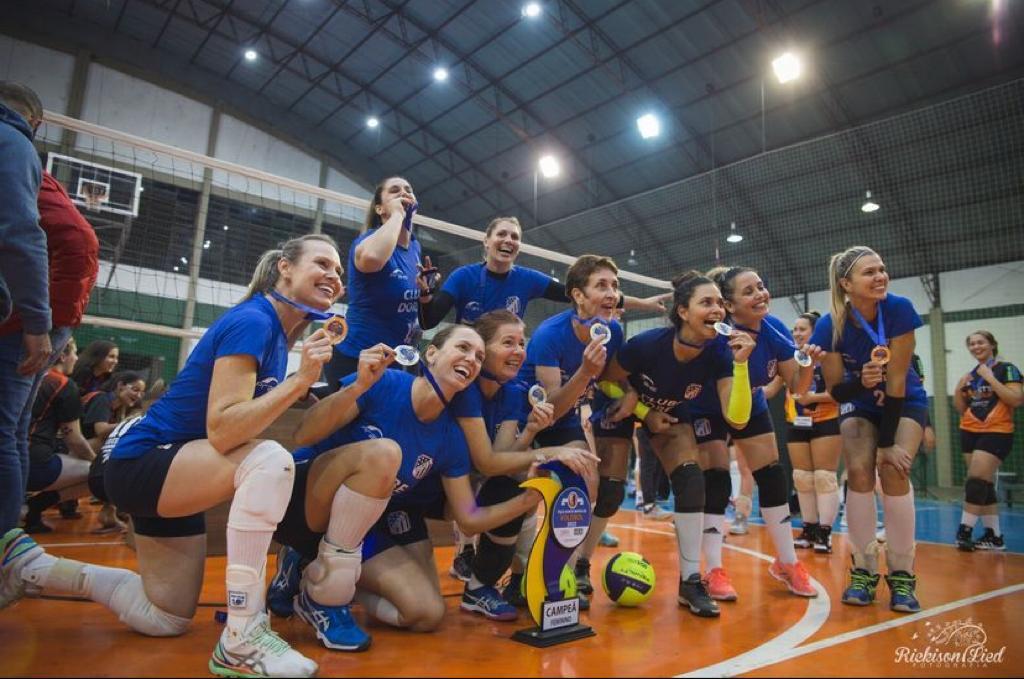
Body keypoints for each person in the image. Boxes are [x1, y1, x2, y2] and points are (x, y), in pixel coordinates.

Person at [1, 234, 345, 677]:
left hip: (174, 466)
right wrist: (299, 383)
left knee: (164, 617)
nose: (334, 276)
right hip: (143, 459)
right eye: (323, 263)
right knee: (269, 459)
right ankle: (242, 634)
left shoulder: (278, 332)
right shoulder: (255, 320)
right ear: (284, 267)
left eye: (338, 271)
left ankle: (32, 567)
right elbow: (223, 430)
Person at [273, 325, 544, 645]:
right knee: (385, 453)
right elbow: (303, 434)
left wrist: (530, 499)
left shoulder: (451, 439)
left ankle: (310, 581)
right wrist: (358, 385)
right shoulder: (386, 383)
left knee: (427, 612)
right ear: (431, 354)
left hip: (356, 530)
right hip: (298, 503)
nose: (472, 359)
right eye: (463, 348)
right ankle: (312, 573)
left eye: (479, 356)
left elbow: (468, 519)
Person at [589, 270, 755, 617]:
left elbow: (737, 418)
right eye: (706, 303)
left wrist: (741, 367)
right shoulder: (647, 345)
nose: (718, 310)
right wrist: (643, 409)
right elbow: (605, 381)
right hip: (624, 405)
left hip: (671, 415)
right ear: (683, 311)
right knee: (610, 492)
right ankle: (578, 565)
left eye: (720, 304)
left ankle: (691, 581)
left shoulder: (721, 354)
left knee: (692, 481)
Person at [450, 310, 596, 619]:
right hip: (432, 495)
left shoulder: (513, 393)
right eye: (508, 343)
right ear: (482, 349)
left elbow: (502, 460)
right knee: (422, 611)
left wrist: (531, 431)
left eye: (521, 342)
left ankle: (481, 586)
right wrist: (550, 451)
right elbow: (487, 463)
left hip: (464, 489)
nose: (519, 351)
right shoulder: (466, 391)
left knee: (515, 481)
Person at [688, 265, 819, 602]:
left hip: (754, 402)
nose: (761, 294)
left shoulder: (773, 328)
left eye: (761, 286)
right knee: (717, 479)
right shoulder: (719, 338)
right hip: (710, 407)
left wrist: (810, 364)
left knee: (773, 477)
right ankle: (714, 569)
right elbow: (732, 410)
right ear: (729, 306)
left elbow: (798, 387)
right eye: (749, 291)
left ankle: (787, 563)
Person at [811, 245, 927, 613]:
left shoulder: (899, 309)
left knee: (894, 468)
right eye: (869, 272)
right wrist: (860, 381)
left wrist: (888, 444)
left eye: (882, 269)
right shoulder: (830, 324)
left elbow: (896, 383)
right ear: (847, 283)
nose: (880, 276)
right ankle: (863, 568)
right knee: (859, 471)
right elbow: (836, 390)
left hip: (904, 400)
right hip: (858, 403)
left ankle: (903, 574)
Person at [516, 254, 624, 608]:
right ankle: (488, 561)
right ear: (578, 295)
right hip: (527, 416)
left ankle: (568, 571)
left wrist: (633, 402)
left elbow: (612, 380)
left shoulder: (615, 331)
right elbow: (550, 411)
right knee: (514, 494)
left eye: (615, 286)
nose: (612, 293)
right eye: (601, 285)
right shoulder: (550, 334)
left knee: (586, 480)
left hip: (570, 416)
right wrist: (584, 374)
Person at [417, 216, 668, 328]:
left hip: (502, 365)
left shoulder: (528, 279)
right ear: (486, 241)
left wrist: (644, 304)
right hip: (468, 358)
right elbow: (429, 322)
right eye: (501, 234)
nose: (508, 240)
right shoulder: (464, 276)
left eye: (514, 236)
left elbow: (583, 294)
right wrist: (426, 294)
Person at [0, 82, 53, 537]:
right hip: (22, 316)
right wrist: (39, 322)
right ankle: (5, 550)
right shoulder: (14, 143)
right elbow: (21, 233)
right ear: (36, 121)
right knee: (6, 433)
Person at [324, 176, 426, 391]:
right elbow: (372, 258)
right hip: (357, 358)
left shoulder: (415, 248)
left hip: (396, 360)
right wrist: (397, 214)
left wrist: (426, 294)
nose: (404, 193)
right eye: (395, 190)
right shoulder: (367, 242)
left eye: (408, 189)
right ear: (380, 209)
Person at [954, 330, 1021, 551]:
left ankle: (964, 530)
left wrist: (991, 378)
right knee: (985, 483)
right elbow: (962, 409)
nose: (976, 347)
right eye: (971, 344)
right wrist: (959, 388)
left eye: (980, 342)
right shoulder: (972, 374)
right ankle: (994, 536)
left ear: (992, 344)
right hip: (969, 431)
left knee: (975, 480)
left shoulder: (1007, 369)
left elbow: (1016, 399)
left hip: (997, 431)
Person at [22, 339, 96, 533]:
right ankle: (32, 508)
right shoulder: (63, 384)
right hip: (34, 463)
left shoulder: (26, 374)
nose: (77, 358)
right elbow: (75, 440)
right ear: (62, 356)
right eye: (75, 353)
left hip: (10, 457)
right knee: (100, 475)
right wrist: (99, 463)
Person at [783, 312, 841, 554]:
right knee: (802, 478)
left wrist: (813, 397)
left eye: (802, 329)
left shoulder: (827, 357)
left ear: (814, 332)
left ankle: (824, 532)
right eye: (794, 329)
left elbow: (840, 391)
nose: (796, 333)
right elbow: (777, 385)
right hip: (795, 421)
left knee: (824, 477)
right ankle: (808, 527)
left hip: (826, 419)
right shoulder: (791, 358)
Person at [80, 371, 147, 453]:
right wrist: (129, 423)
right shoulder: (102, 399)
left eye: (142, 393)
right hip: (69, 450)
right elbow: (101, 430)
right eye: (135, 390)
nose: (138, 396)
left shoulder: (119, 409)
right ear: (120, 385)